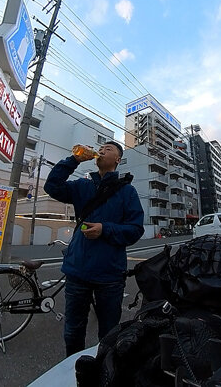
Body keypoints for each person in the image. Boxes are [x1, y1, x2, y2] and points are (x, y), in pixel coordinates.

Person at [44, 141, 144, 356]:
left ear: (117, 159)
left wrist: (105, 229)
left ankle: (105, 372)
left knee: (109, 334)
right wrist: (73, 160)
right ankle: (75, 369)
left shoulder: (127, 191)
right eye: (101, 148)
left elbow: (135, 229)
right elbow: (51, 187)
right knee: (73, 331)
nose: (101, 150)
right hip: (77, 270)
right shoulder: (82, 185)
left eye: (108, 149)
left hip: (110, 274)